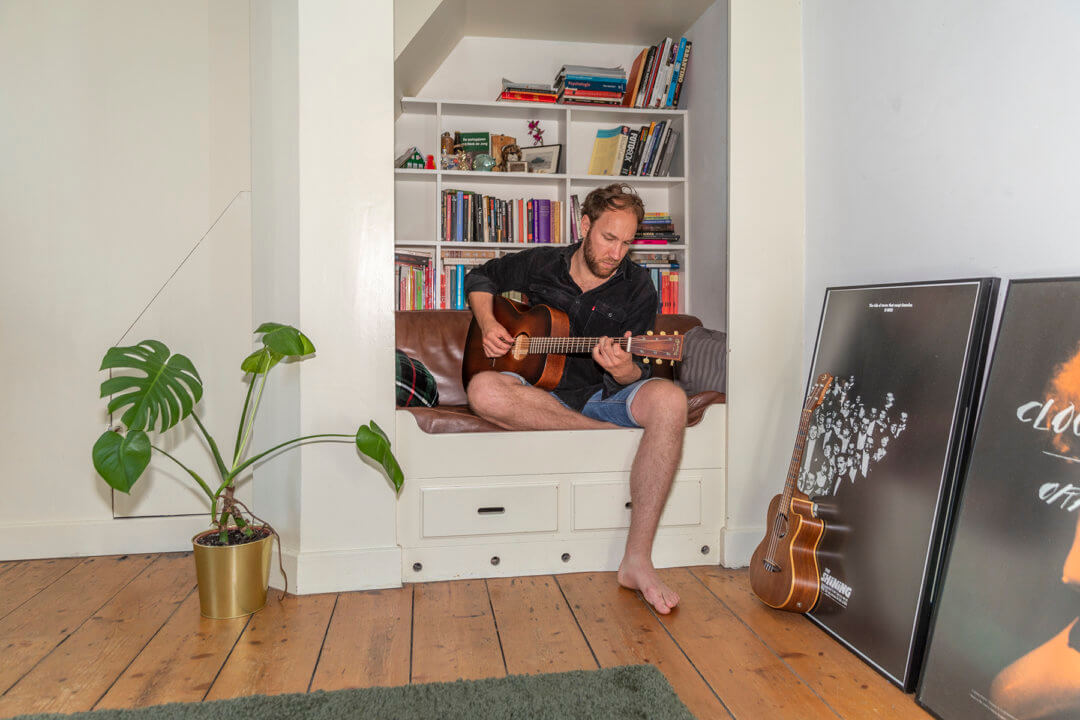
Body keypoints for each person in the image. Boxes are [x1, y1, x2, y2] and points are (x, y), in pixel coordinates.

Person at [463, 183, 688, 614]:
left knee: (671, 400)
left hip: (599, 395)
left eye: (626, 242)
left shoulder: (638, 286)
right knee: (483, 389)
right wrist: (490, 322)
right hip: (535, 394)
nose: (616, 252)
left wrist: (625, 370)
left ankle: (637, 560)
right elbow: (482, 275)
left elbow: (637, 371)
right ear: (585, 226)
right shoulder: (543, 262)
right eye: (608, 238)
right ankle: (603, 436)